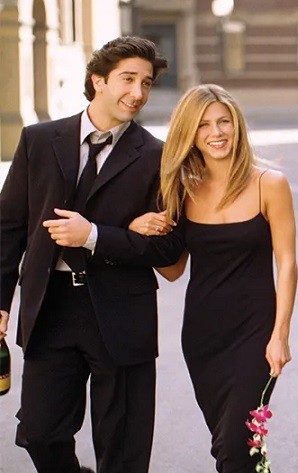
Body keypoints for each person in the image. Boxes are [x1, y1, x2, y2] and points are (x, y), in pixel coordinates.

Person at [0, 36, 177, 472]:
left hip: (122, 310)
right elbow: (8, 228)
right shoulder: (39, 140)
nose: (138, 92)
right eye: (128, 79)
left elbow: (168, 247)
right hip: (51, 307)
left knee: (123, 451)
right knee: (40, 434)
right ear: (98, 80)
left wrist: (96, 236)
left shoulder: (158, 156)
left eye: (146, 83)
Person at [127, 84, 297, 471]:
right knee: (235, 446)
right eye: (203, 125)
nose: (216, 133)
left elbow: (287, 263)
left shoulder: (269, 184)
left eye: (224, 122)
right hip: (203, 335)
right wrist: (139, 234)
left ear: (237, 125)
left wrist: (280, 334)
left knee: (235, 447)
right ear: (190, 134)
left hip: (256, 333)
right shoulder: (182, 191)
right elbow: (174, 270)